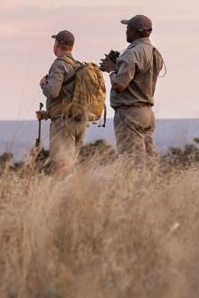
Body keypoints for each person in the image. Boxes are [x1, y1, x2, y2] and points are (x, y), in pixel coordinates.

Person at [99, 14, 164, 159]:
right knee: (148, 163)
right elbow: (139, 77)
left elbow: (119, 86)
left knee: (131, 164)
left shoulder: (132, 53)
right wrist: (118, 68)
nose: (126, 31)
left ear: (134, 31)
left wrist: (111, 71)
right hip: (147, 113)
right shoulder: (155, 53)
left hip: (130, 113)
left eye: (127, 28)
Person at [36, 30, 89, 177]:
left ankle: (63, 198)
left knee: (61, 167)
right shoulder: (77, 65)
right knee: (70, 166)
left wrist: (43, 84)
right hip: (79, 121)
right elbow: (69, 97)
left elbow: (52, 92)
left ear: (58, 44)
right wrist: (48, 114)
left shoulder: (59, 65)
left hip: (64, 124)